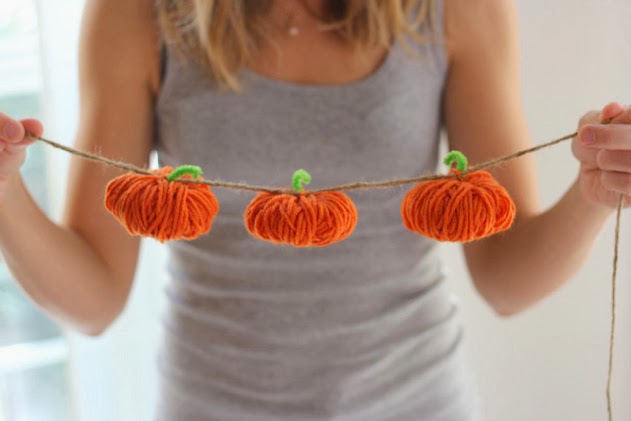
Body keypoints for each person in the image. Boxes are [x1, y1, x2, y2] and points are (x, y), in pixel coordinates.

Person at [0, 0, 629, 419]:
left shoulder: (456, 9)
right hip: (208, 404)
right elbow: (93, 300)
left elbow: (507, 279)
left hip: (415, 402)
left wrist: (593, 195)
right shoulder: (136, 14)